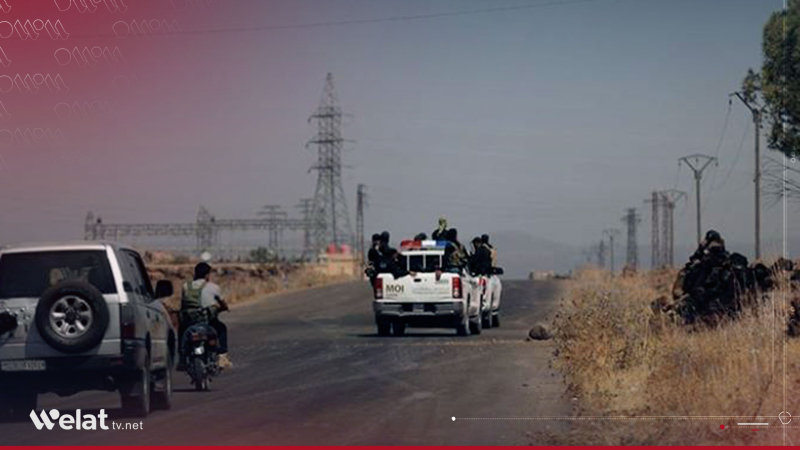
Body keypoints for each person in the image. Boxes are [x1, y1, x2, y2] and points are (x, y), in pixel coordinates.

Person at [180, 262, 232, 369]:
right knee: (221, 328)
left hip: (190, 321)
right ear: (207, 275)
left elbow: (183, 304)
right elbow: (223, 304)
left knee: (181, 331)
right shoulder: (213, 287)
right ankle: (222, 357)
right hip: (206, 321)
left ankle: (182, 359)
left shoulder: (186, 286)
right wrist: (222, 308)